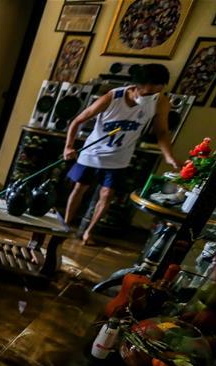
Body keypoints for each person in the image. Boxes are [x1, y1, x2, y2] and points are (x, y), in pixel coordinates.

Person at [63, 63, 180, 244]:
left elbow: (162, 132)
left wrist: (169, 156)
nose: (152, 97)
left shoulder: (161, 101)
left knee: (107, 195)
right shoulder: (112, 97)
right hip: (92, 153)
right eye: (148, 93)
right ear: (136, 87)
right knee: (79, 188)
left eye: (156, 93)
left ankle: (89, 232)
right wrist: (69, 146)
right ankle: (65, 226)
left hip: (119, 158)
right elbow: (78, 120)